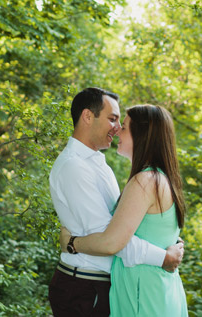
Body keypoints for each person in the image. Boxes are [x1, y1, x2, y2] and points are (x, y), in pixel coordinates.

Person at [49, 88, 185, 317]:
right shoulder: (74, 167)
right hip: (85, 286)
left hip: (112, 286)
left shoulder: (106, 168)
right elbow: (109, 238)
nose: (117, 127)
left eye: (122, 124)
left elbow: (117, 235)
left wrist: (72, 242)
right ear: (87, 117)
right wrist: (163, 256)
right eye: (113, 119)